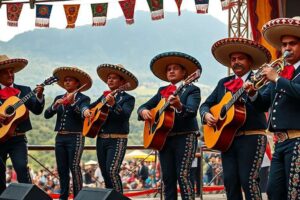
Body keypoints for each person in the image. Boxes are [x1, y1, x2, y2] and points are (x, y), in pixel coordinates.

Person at [199, 38, 271, 200]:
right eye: (233, 59)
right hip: (227, 140)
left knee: (248, 181)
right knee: (230, 182)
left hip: (252, 137)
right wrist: (206, 115)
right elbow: (206, 105)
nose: (236, 62)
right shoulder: (224, 83)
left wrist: (252, 93)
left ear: (250, 61)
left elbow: (263, 105)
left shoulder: (261, 79)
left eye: (240, 58)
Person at [244, 16, 300, 200]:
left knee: (295, 192)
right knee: (274, 192)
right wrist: (253, 93)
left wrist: (277, 78)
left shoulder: (279, 76)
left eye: (292, 43)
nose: (287, 48)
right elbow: (263, 103)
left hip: (298, 141)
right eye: (284, 45)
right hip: (280, 142)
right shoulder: (282, 72)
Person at [138, 51, 202, 200]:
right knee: (167, 178)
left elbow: (191, 112)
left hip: (185, 137)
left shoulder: (192, 89)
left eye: (175, 68)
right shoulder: (162, 91)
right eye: (168, 69)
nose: (171, 71)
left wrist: (180, 106)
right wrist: (144, 111)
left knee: (183, 176)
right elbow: (143, 106)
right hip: (164, 139)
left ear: (185, 73)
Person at [85, 64, 138, 194]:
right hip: (101, 139)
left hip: (117, 139)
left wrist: (114, 105)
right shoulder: (103, 97)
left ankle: (119, 197)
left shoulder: (128, 98)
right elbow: (90, 107)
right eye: (109, 78)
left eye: (114, 78)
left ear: (122, 82)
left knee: (112, 171)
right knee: (104, 172)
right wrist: (85, 110)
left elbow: (124, 116)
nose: (110, 80)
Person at [44, 66, 91, 200]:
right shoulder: (59, 97)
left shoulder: (83, 98)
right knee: (62, 168)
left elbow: (84, 112)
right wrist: (54, 106)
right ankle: (63, 196)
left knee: (74, 167)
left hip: (75, 136)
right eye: (65, 80)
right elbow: (47, 115)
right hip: (60, 137)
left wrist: (71, 104)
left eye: (70, 80)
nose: (67, 82)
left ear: (77, 83)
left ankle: (78, 197)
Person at [0, 55, 45, 194]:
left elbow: (37, 110)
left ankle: (29, 196)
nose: (10, 74)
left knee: (21, 168)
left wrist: (39, 96)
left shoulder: (25, 90)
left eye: (12, 71)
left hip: (18, 138)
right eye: (6, 72)